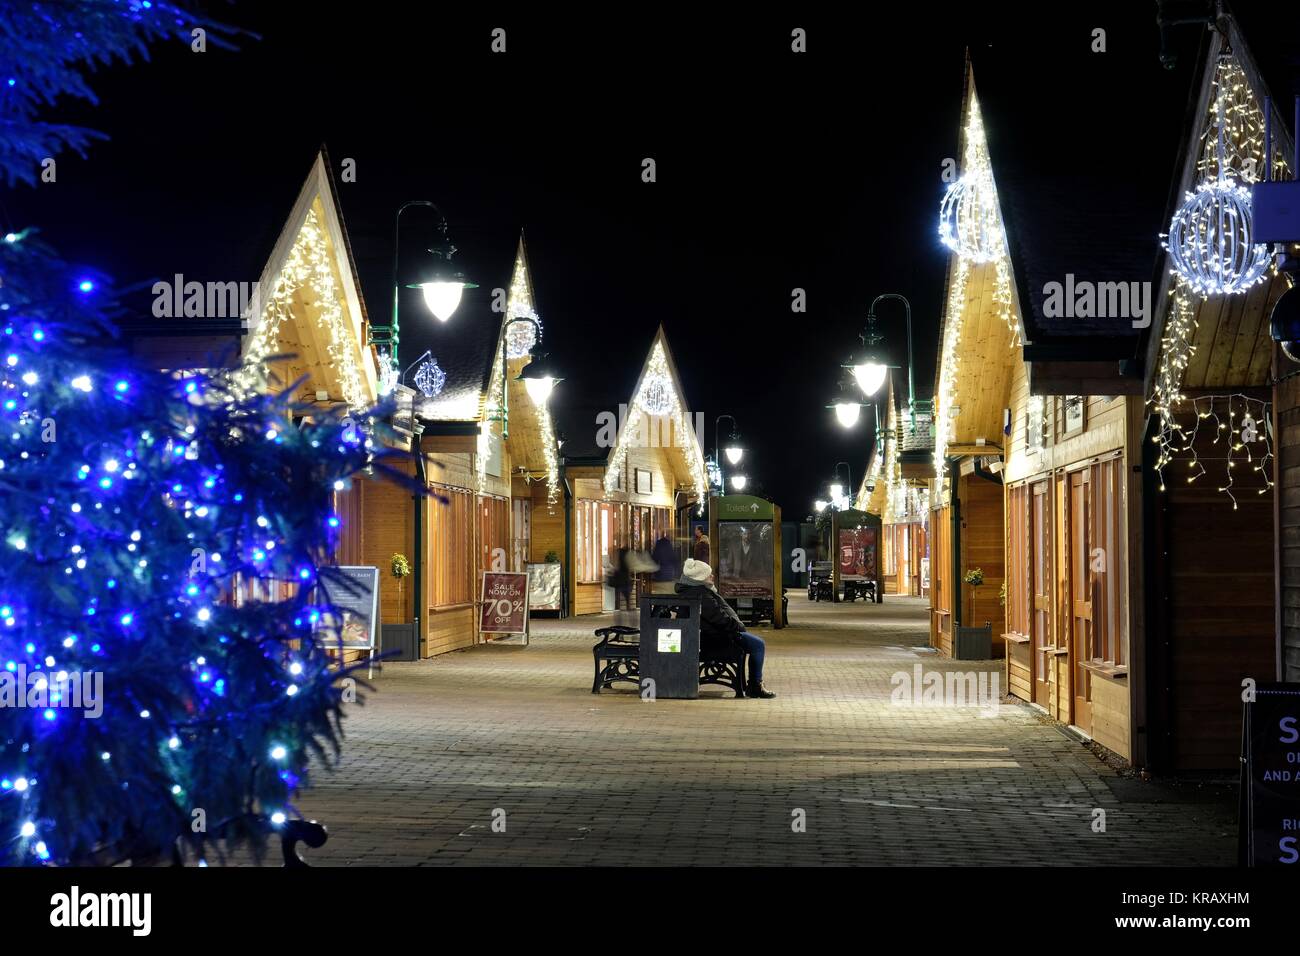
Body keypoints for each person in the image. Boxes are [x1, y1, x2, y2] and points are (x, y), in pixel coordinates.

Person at [675, 558, 776, 699]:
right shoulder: (701, 595)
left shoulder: (693, 591)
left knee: (756, 643)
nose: (712, 576)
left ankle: (755, 684)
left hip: (704, 636)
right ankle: (755, 685)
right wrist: (737, 627)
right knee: (758, 645)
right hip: (714, 639)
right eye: (708, 574)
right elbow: (719, 619)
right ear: (700, 578)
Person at [606, 547, 632, 611]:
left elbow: (615, 568)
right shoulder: (627, 558)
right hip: (625, 580)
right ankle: (626, 608)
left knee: (619, 596)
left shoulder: (619, 557)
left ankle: (619, 608)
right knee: (627, 598)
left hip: (620, 580)